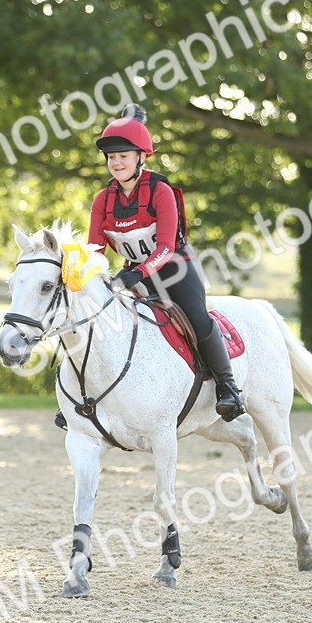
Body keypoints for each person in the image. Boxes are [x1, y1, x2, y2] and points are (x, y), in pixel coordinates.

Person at [55, 104, 245, 430]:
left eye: (123, 156)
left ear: (141, 157)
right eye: (111, 157)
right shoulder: (103, 199)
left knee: (198, 319)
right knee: (89, 319)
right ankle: (77, 396)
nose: (115, 162)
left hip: (175, 269)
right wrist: (78, 273)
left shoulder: (161, 191)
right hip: (134, 272)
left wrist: (137, 273)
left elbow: (167, 246)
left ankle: (228, 387)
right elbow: (95, 250)